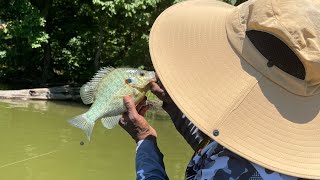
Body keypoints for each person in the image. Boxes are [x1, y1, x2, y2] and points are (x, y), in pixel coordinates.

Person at [120, 0, 320, 179]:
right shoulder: (295, 154)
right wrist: (174, 107)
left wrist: (144, 140)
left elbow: (224, 168)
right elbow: (218, 153)